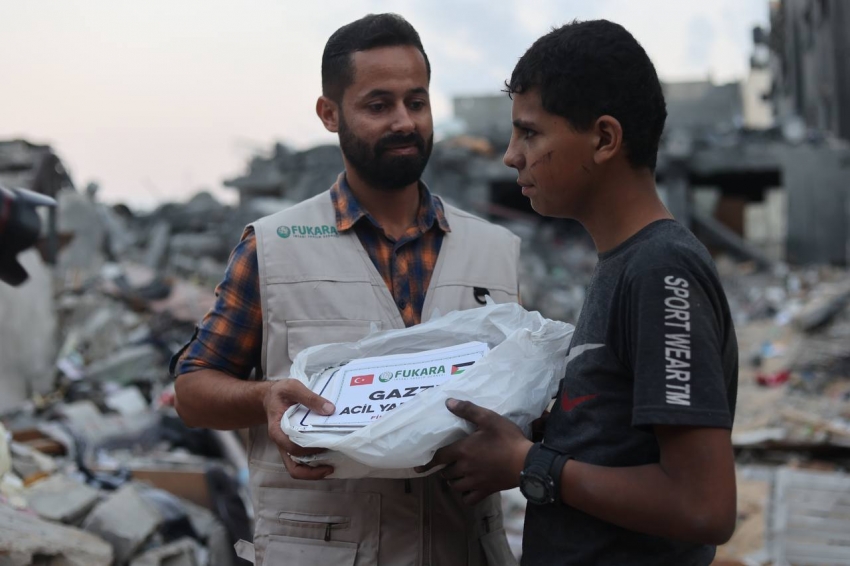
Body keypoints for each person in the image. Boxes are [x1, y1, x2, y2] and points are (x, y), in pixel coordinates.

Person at [172, 13, 521, 566]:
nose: (404, 122)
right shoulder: (274, 246)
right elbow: (192, 392)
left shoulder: (496, 250)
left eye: (416, 101)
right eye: (378, 105)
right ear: (329, 114)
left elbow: (522, 394)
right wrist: (264, 397)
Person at [417, 19, 739, 565]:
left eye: (530, 133)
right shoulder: (623, 263)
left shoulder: (660, 271)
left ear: (605, 139)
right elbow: (620, 437)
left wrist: (530, 465)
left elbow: (703, 506)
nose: (511, 156)